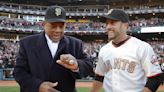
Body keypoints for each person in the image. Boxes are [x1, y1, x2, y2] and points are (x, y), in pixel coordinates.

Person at [13, 5, 93, 92]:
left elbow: (88, 66)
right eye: (53, 26)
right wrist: (37, 85)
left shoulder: (76, 44)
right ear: (44, 24)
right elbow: (19, 72)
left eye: (61, 26)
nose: (58, 30)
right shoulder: (27, 43)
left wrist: (76, 65)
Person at [90, 9, 162, 92]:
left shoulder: (142, 47)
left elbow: (155, 78)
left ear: (125, 25)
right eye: (107, 23)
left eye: (112, 23)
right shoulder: (104, 50)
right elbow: (99, 77)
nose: (108, 27)